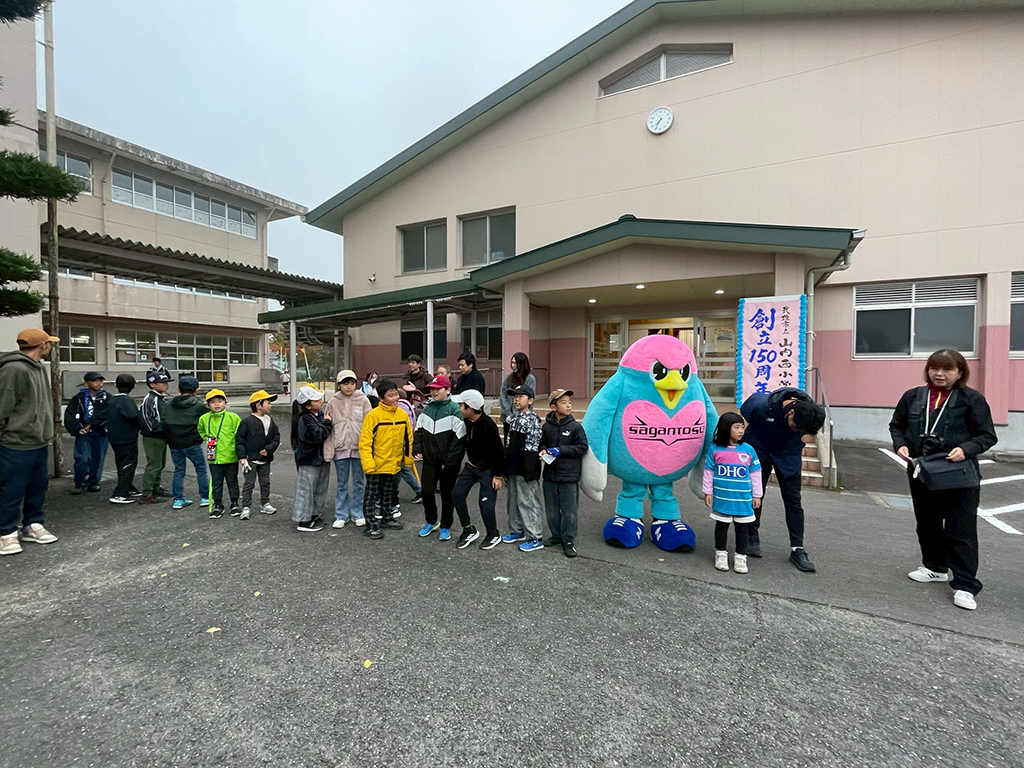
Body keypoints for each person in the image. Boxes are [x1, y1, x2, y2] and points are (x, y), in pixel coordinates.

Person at [889, 349, 997, 611]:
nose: (939, 374)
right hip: (922, 470)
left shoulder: (972, 400)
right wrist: (900, 445)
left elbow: (987, 436)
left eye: (947, 369)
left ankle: (965, 585)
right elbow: (897, 425)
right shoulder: (913, 396)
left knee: (961, 530)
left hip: (958, 474)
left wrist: (966, 449)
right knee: (927, 524)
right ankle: (935, 568)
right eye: (934, 368)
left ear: (960, 373)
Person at [740, 386, 825, 572]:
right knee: (755, 495)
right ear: (791, 412)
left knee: (793, 500)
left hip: (788, 455)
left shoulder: (811, 414)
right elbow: (744, 413)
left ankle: (797, 548)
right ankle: (751, 537)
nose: (797, 431)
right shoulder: (761, 405)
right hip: (759, 451)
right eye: (795, 427)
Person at [0, 328, 61, 556]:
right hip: (15, 442)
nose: (50, 346)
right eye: (49, 343)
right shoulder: (14, 369)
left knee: (37, 487)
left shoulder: (38, 367)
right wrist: (8, 433)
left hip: (39, 440)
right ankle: (6, 532)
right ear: (43, 345)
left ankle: (33, 524)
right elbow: (3, 406)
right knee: (11, 489)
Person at [703, 413, 762, 575]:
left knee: (742, 528)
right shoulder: (715, 450)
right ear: (725, 429)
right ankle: (721, 554)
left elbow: (756, 474)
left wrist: (757, 495)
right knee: (721, 526)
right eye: (736, 427)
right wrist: (707, 492)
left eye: (742, 427)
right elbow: (708, 472)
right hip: (722, 498)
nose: (741, 430)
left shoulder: (748, 450)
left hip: (743, 499)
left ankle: (740, 556)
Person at [359, 378, 414, 540]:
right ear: (381, 398)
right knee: (371, 495)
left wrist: (407, 459)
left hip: (393, 463)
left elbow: (408, 439)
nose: (395, 398)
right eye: (390, 395)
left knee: (389, 493)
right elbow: (365, 442)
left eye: (396, 394)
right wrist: (368, 463)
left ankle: (387, 518)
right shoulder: (373, 416)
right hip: (375, 465)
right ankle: (370, 525)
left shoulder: (402, 414)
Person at [452, 389, 507, 550]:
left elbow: (499, 452)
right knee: (457, 494)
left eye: (461, 405)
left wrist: (498, 475)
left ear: (470, 408)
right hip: (471, 466)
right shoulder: (467, 421)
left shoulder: (488, 426)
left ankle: (493, 534)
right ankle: (468, 529)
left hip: (488, 470)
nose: (459, 408)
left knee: (486, 505)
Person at [414, 374, 465, 540]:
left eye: (438, 389)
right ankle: (431, 521)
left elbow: (459, 440)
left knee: (446, 494)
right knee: (426, 491)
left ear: (448, 390)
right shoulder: (426, 409)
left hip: (448, 463)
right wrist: (417, 449)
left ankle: (445, 526)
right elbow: (418, 432)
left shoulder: (455, 409)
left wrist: (449, 461)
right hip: (430, 460)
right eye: (432, 389)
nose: (434, 392)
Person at [539, 388, 588, 558]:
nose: (568, 405)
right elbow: (542, 443)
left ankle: (568, 541)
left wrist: (561, 450)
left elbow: (582, 447)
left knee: (569, 511)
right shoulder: (547, 427)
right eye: (563, 402)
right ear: (553, 407)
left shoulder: (575, 427)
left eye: (569, 402)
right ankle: (556, 536)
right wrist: (543, 450)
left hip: (569, 476)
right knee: (552, 510)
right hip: (550, 475)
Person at [323, 370, 372, 529]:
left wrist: (369, 446)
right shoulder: (333, 402)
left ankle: (358, 512)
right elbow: (328, 428)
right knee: (342, 483)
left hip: (359, 447)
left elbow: (370, 424)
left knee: (359, 482)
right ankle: (341, 514)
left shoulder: (363, 400)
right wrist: (329, 450)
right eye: (345, 383)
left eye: (352, 383)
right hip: (340, 447)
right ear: (339, 385)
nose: (349, 386)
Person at [501, 384, 544, 552]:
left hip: (526, 469)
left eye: (521, 396)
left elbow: (533, 446)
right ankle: (517, 530)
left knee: (528, 502)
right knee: (513, 501)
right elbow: (509, 444)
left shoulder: (532, 419)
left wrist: (530, 470)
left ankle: (535, 537)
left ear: (530, 400)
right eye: (515, 396)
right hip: (513, 467)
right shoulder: (514, 419)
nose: (516, 399)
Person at [291, 386, 333, 533]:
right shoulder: (304, 419)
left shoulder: (318, 415)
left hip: (320, 458)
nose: (321, 401)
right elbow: (317, 435)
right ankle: (303, 519)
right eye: (317, 399)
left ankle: (314, 514)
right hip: (309, 459)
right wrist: (327, 423)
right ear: (308, 405)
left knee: (320, 487)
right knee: (306, 489)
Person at [163, 375, 210, 510]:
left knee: (179, 470)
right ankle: (205, 497)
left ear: (178, 388)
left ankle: (178, 499)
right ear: (197, 389)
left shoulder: (168, 405)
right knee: (201, 469)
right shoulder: (199, 405)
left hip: (174, 443)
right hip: (192, 443)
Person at [236, 390, 280, 520]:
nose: (270, 405)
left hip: (265, 459)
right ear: (258, 405)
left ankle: (265, 503)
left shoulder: (270, 420)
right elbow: (239, 440)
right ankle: (246, 506)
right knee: (249, 483)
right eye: (268, 403)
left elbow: (276, 437)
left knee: (265, 482)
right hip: (250, 460)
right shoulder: (247, 421)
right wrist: (242, 456)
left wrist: (269, 449)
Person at [64, 371, 110, 494]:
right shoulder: (78, 398)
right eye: (95, 381)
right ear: (86, 383)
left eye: (100, 381)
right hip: (84, 433)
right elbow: (70, 415)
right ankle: (79, 482)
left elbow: (107, 414)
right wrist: (77, 428)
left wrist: (94, 424)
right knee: (82, 458)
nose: (98, 383)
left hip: (100, 432)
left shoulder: (106, 397)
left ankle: (94, 482)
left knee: (98, 458)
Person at [198, 388, 241, 519]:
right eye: (212, 402)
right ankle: (217, 504)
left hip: (231, 456)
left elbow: (240, 435)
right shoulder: (204, 418)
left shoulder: (233, 417)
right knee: (216, 482)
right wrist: (207, 438)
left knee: (232, 481)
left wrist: (238, 451)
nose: (216, 404)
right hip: (214, 457)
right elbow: (200, 430)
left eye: (220, 401)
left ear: (225, 403)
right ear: (208, 405)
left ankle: (234, 503)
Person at [101, 374, 142, 505]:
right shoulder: (126, 400)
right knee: (128, 464)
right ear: (133, 386)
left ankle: (128, 486)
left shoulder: (112, 400)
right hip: (127, 437)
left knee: (121, 463)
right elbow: (133, 416)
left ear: (116, 385)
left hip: (115, 436)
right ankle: (120, 493)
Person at [394, 387, 424, 512]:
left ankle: (420, 491)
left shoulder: (400, 407)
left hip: (401, 444)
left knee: (403, 470)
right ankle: (394, 493)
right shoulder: (408, 406)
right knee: (399, 470)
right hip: (407, 443)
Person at [499, 352, 537, 423]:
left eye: (515, 363)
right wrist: (508, 413)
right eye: (512, 363)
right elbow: (503, 394)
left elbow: (528, 397)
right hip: (507, 417)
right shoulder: (509, 377)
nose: (513, 365)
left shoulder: (530, 379)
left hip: (523, 418)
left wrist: (514, 415)